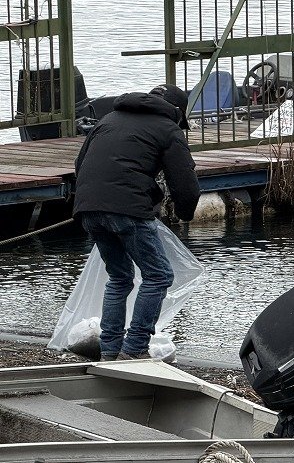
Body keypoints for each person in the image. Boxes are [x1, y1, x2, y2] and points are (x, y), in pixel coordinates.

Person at [72, 84, 200, 360]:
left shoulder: (108, 119)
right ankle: (135, 350)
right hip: (126, 208)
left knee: (119, 277)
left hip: (87, 207)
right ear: (179, 112)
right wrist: (185, 213)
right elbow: (185, 183)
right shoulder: (169, 129)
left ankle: (109, 351)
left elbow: (80, 164)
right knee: (158, 276)